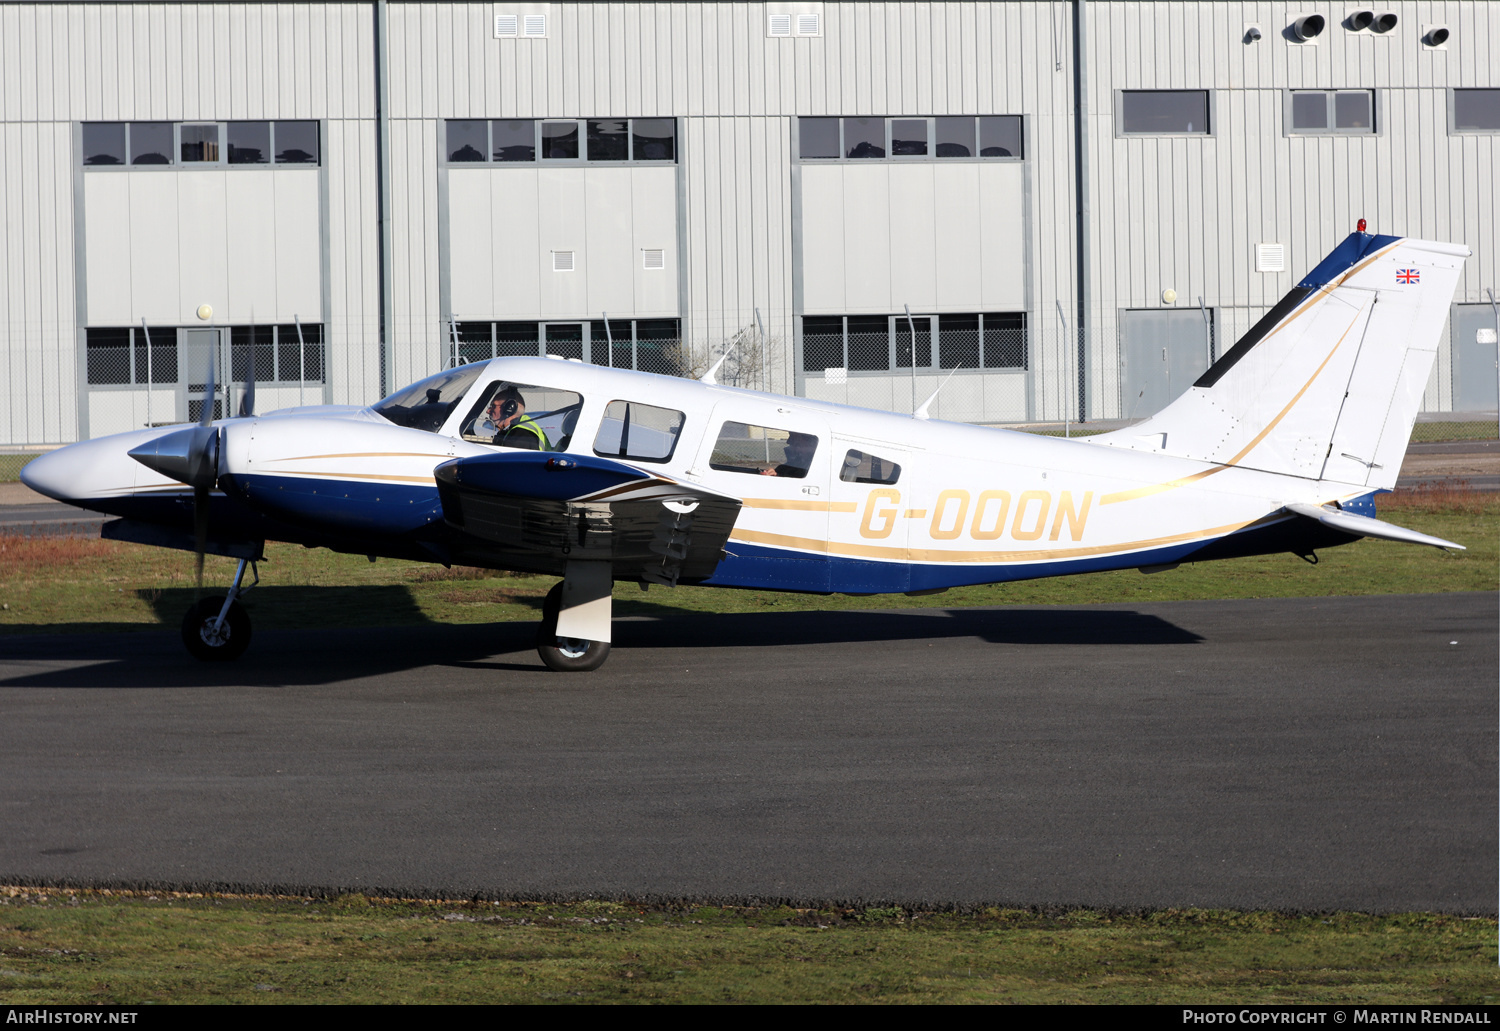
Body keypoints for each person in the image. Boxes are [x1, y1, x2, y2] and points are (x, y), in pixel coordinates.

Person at [479, 387, 549, 450]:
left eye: (493, 406)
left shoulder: (521, 436)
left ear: (508, 409)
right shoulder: (513, 431)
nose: (488, 411)